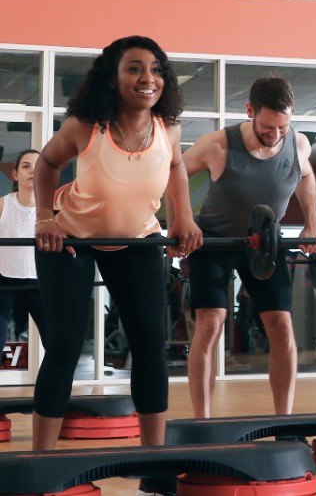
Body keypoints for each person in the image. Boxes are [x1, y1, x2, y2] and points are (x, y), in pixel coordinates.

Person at [30, 36, 203, 461]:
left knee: (149, 345)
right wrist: (44, 218)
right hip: (71, 241)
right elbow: (47, 164)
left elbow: (177, 167)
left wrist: (183, 215)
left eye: (156, 69)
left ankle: (153, 465)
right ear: (112, 77)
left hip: (137, 240)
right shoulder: (85, 126)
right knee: (66, 345)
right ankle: (39, 464)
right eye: (135, 68)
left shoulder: (169, 129)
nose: (148, 78)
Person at [182, 76, 316, 418]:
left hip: (265, 242)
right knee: (211, 324)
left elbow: (305, 176)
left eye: (283, 127)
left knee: (282, 326)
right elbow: (174, 175)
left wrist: (312, 222)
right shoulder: (217, 144)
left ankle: (283, 421)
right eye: (267, 127)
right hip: (213, 241)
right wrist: (182, 221)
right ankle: (202, 422)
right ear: (249, 111)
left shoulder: (298, 143)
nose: (275, 135)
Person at [0, 150, 45, 354]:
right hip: (4, 281)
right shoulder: (3, 204)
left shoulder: (52, 209)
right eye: (26, 166)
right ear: (16, 174)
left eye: (37, 167)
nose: (32, 171)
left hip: (39, 282)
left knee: (54, 342)